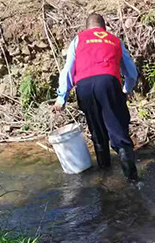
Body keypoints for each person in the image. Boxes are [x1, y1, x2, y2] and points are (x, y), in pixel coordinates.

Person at [54, 13, 139, 181]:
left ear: (87, 28)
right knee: (118, 131)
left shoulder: (78, 39)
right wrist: (125, 89)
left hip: (84, 86)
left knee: (97, 130)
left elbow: (68, 70)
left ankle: (104, 178)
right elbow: (131, 71)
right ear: (104, 27)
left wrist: (61, 98)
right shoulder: (114, 40)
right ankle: (133, 181)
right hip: (108, 82)